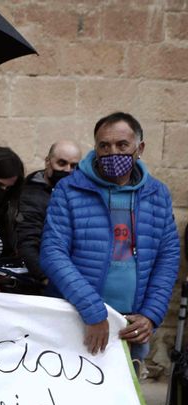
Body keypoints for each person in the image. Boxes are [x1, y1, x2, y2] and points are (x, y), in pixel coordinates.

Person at [41, 112, 180, 367]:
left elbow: (167, 257)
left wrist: (151, 315)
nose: (112, 152)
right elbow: (53, 252)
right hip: (76, 321)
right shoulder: (69, 190)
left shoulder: (157, 194)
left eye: (122, 145)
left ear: (140, 148)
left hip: (131, 326)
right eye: (104, 145)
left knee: (123, 404)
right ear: (95, 147)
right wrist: (93, 311)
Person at [15, 140, 81, 286]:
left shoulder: (79, 193)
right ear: (48, 162)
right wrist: (46, 279)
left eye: (74, 166)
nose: (67, 170)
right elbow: (27, 243)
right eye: (62, 163)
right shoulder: (31, 195)